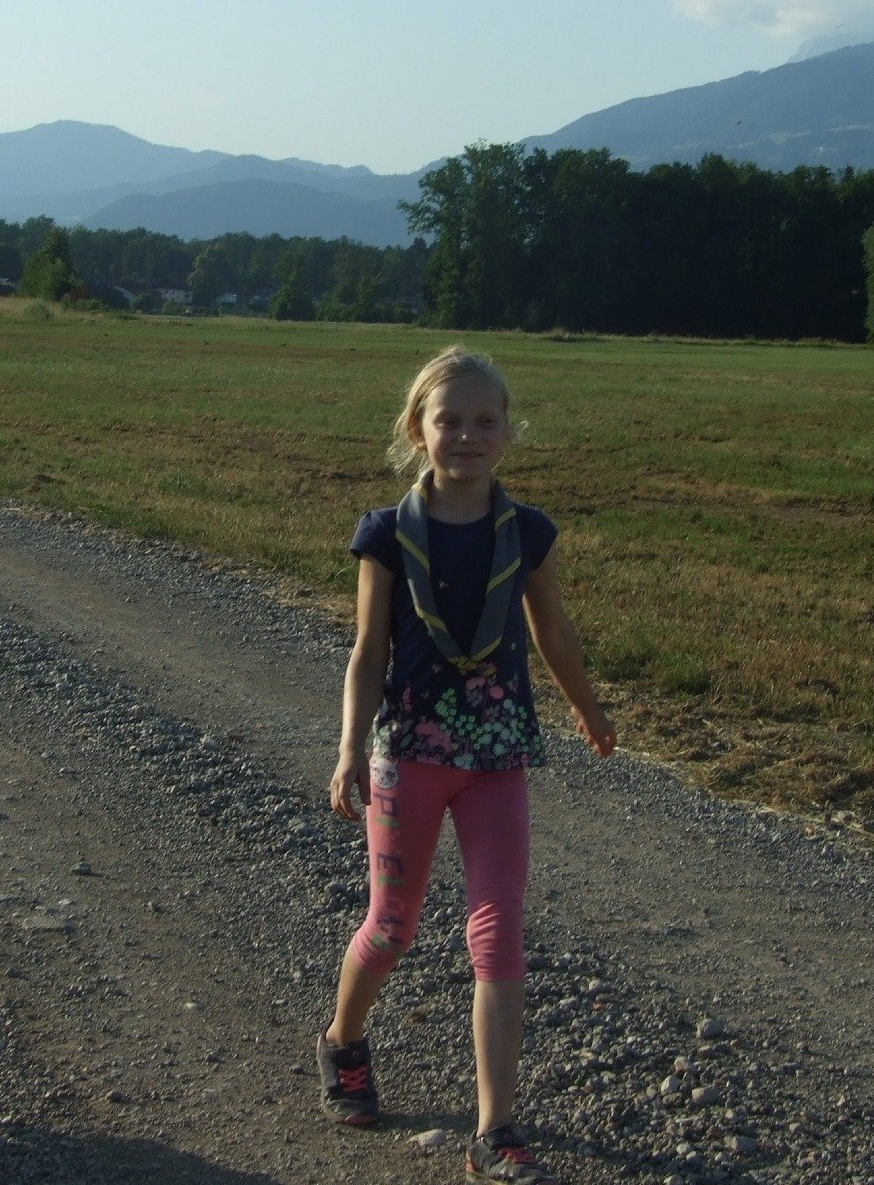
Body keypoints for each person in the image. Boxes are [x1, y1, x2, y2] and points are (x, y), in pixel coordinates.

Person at [316, 345, 616, 1184]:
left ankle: (495, 1128)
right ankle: (343, 1042)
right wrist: (348, 747)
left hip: (497, 756)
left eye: (487, 420)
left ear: (509, 432)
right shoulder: (386, 534)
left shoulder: (527, 533)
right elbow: (368, 651)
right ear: (418, 431)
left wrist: (588, 707)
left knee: (498, 934)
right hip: (407, 754)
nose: (469, 435)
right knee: (392, 928)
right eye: (450, 420)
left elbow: (553, 631)